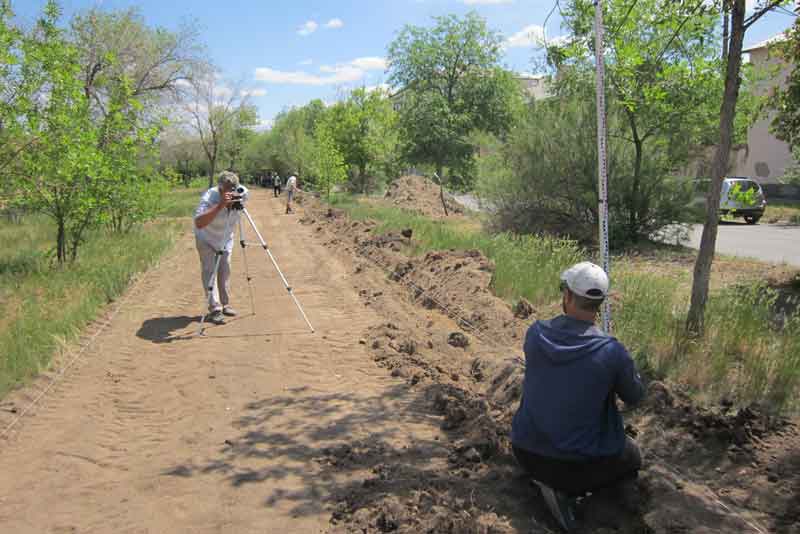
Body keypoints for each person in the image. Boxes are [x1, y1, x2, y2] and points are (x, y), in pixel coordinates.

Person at [510, 261, 645, 531]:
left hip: (525, 452)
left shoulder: (535, 335)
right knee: (632, 456)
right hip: (580, 468)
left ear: (568, 296)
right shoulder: (611, 351)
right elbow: (635, 396)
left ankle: (550, 488)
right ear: (601, 304)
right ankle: (595, 503)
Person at [193, 171, 249, 325]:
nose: (231, 192)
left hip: (225, 237)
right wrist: (220, 206)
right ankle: (214, 308)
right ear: (220, 189)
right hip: (206, 237)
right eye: (227, 190)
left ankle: (225, 304)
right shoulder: (209, 198)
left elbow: (240, 207)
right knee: (209, 271)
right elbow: (198, 222)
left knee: (225, 270)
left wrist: (234, 202)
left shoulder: (242, 193)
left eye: (233, 188)